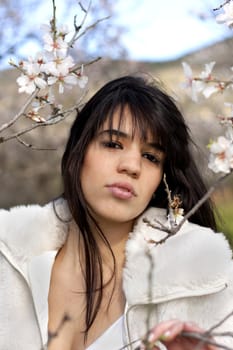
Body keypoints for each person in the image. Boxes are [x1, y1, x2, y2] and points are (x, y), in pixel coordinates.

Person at [0, 75, 233, 350]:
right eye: (113, 144)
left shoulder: (204, 279)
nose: (132, 165)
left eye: (151, 157)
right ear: (78, 150)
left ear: (162, 179)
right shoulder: (8, 258)